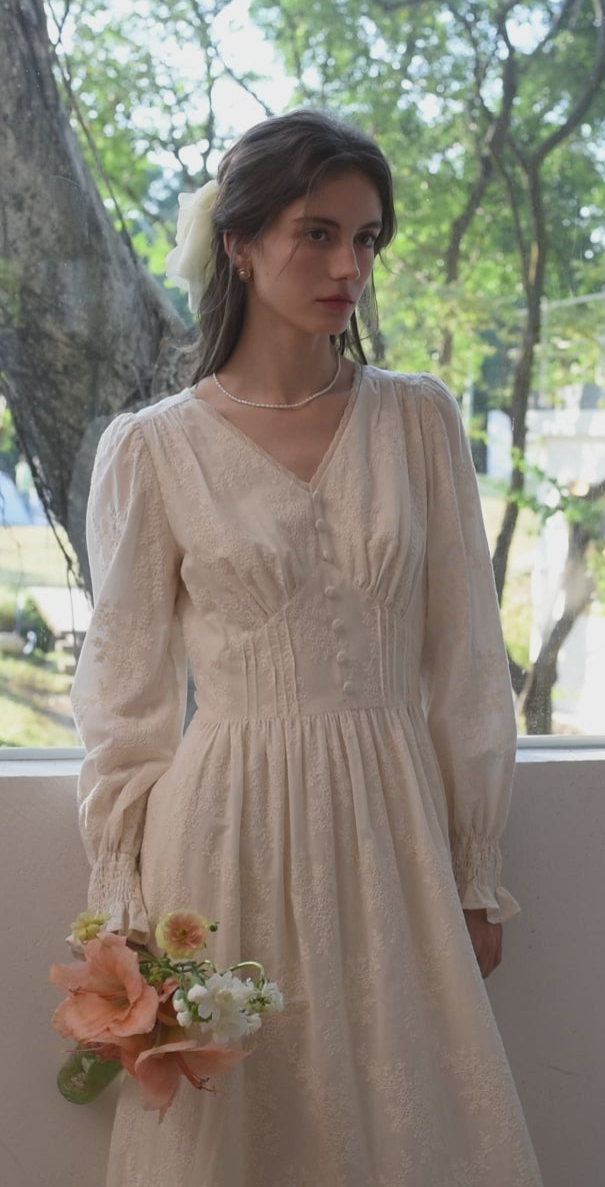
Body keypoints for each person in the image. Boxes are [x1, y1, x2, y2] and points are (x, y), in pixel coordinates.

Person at [72, 109, 543, 1187]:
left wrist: (476, 866)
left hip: (393, 826)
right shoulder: (152, 450)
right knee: (241, 1131)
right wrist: (124, 897)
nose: (349, 267)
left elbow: (469, 659)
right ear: (239, 244)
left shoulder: (417, 422)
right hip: (222, 833)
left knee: (408, 1118)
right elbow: (125, 695)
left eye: (367, 239)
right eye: (317, 234)